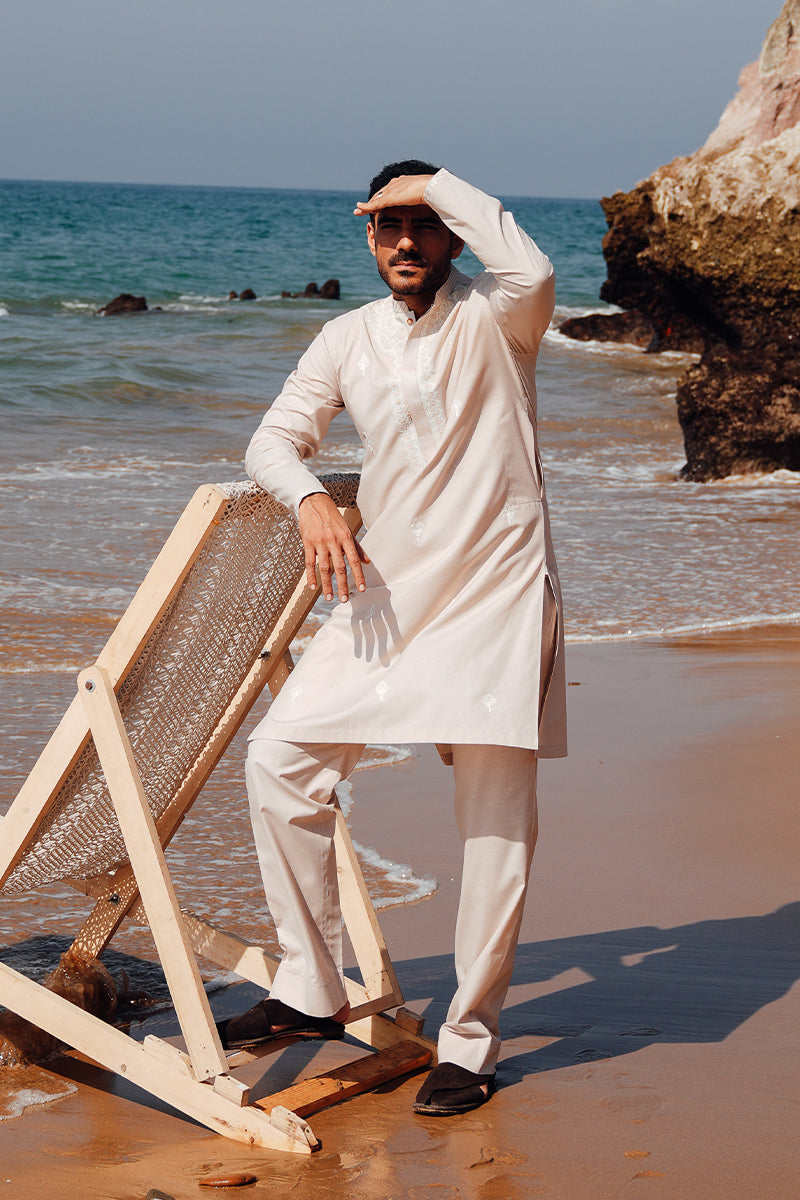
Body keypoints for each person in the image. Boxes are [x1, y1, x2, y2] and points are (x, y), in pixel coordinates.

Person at [218, 160, 567, 1116]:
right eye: (387, 227)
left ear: (452, 231)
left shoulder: (502, 316)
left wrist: (434, 181)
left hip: (495, 596)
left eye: (423, 223)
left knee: (494, 827)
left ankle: (471, 1042)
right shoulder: (346, 336)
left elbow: (533, 268)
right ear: (367, 238)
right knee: (280, 759)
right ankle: (310, 986)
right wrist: (308, 503)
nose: (405, 242)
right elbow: (272, 440)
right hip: (385, 601)